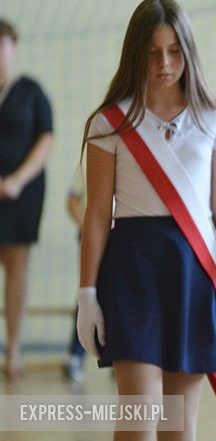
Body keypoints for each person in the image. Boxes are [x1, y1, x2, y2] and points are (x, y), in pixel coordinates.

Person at [77, 0, 216, 439]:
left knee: (179, 425)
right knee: (137, 420)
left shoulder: (215, 120)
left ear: (188, 51)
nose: (164, 63)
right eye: (152, 53)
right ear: (135, 55)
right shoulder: (109, 123)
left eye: (174, 51)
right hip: (132, 270)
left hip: (196, 272)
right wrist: (87, 292)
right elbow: (96, 213)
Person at [0, 18, 54, 381]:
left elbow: (46, 140)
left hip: (21, 195)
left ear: (13, 49)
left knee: (17, 267)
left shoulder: (32, 91)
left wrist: (16, 181)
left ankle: (14, 351)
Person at [63, 163, 87, 383]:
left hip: (124, 235)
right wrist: (88, 226)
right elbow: (72, 202)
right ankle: (75, 355)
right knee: (88, 293)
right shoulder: (86, 164)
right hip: (93, 235)